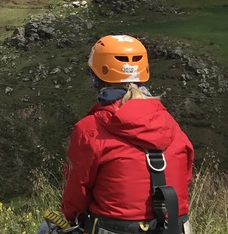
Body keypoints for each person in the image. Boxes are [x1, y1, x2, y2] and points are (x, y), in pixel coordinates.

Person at [42, 34, 193, 234]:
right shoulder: (171, 125)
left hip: (113, 228)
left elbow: (75, 199)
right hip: (174, 227)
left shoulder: (89, 130)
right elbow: (186, 177)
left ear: (96, 77)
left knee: (46, 228)